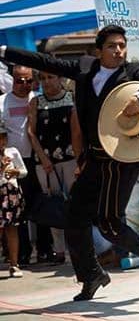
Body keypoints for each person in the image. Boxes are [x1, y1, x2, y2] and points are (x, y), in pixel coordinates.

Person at [0, 25, 139, 301]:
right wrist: (5, 51)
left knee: (110, 225)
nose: (118, 50)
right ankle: (91, 275)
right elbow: (45, 62)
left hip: (120, 160)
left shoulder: (132, 72)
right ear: (98, 50)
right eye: (112, 46)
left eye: (121, 45)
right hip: (93, 159)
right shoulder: (84, 68)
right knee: (74, 218)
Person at [27, 71, 82, 265]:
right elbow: (30, 132)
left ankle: (78, 247)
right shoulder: (36, 102)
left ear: (59, 78)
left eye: (50, 77)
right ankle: (59, 251)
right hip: (45, 164)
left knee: (75, 205)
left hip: (71, 159)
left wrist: (80, 160)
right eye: (42, 78)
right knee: (54, 206)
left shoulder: (72, 98)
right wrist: (43, 158)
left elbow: (78, 130)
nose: (47, 82)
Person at [0, 65, 49, 266]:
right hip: (11, 165)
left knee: (42, 206)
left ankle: (46, 249)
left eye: (28, 80)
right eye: (19, 80)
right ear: (13, 79)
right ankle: (21, 254)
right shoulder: (2, 102)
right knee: (15, 212)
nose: (24, 85)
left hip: (36, 161)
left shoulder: (38, 99)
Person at [0, 121, 27, 278]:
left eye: (4, 138)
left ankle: (14, 264)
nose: (2, 141)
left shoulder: (13, 152)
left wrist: (16, 172)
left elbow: (24, 171)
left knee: (12, 228)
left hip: (11, 193)